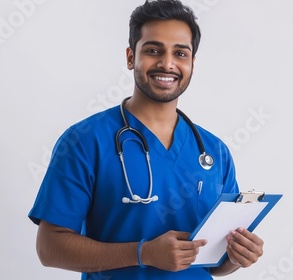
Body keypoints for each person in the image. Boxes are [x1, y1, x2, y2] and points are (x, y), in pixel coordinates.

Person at [28, 0, 264, 279]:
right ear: (131, 57)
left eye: (180, 53)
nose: (167, 63)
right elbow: (49, 247)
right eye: (153, 50)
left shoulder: (215, 152)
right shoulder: (85, 141)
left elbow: (215, 264)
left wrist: (238, 257)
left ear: (191, 63)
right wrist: (143, 253)